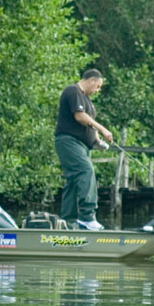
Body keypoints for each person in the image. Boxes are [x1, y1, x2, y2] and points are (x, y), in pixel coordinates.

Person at [55, 69, 113, 230]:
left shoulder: (87, 99)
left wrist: (96, 142)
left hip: (81, 145)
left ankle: (68, 221)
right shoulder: (73, 91)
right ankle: (87, 217)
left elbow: (88, 124)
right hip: (68, 141)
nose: (97, 90)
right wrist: (103, 129)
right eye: (98, 86)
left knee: (73, 180)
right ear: (92, 80)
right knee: (86, 171)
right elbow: (80, 117)